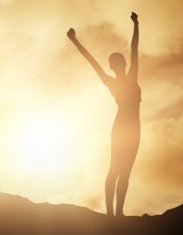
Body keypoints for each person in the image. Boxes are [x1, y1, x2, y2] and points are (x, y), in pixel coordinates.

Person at [67, 12, 140, 217]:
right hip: (122, 128)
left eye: (119, 62)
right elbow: (91, 60)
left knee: (125, 173)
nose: (118, 65)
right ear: (113, 66)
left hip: (134, 129)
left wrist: (136, 24)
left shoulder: (131, 77)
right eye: (114, 63)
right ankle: (110, 214)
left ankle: (118, 214)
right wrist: (74, 40)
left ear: (123, 65)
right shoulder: (113, 82)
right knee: (115, 170)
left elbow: (134, 48)